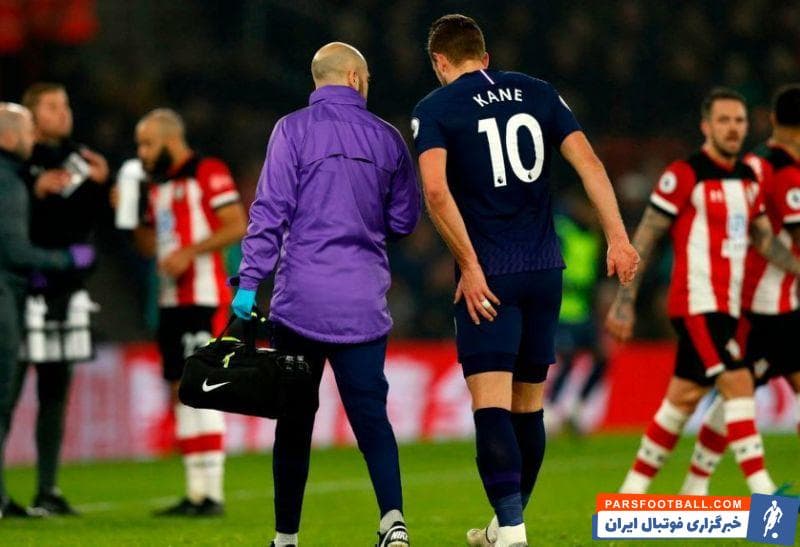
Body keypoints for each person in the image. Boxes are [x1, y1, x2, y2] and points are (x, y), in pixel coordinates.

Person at [411, 15, 638, 547]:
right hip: (544, 270)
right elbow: (590, 164)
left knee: (491, 405)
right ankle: (503, 525)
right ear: (485, 56)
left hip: (490, 276)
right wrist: (618, 238)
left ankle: (512, 532)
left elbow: (436, 193)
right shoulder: (538, 92)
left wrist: (469, 266)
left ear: (440, 62)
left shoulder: (436, 107)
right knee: (528, 407)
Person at [232, 42, 420, 547]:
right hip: (362, 304)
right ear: (355, 77)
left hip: (300, 306)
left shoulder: (290, 130)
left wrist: (249, 283)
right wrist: (365, 224)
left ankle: (285, 539)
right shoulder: (387, 138)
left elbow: (269, 211)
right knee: (372, 421)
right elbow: (405, 219)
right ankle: (393, 521)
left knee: (294, 425)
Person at [607, 88, 800, 496]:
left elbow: (765, 241)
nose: (733, 129)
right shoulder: (685, 174)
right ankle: (765, 496)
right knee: (738, 381)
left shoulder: (747, 179)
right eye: (723, 120)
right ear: (706, 126)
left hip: (729, 307)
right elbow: (646, 237)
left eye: (739, 121)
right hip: (696, 303)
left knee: (682, 398)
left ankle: (631, 497)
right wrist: (625, 301)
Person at [679, 84, 800, 496]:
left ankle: (696, 484)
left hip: (776, 302)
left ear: (772, 119)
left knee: (739, 390)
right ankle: (702, 486)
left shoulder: (752, 165)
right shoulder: (777, 172)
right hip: (759, 307)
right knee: (738, 389)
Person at [130, 108, 247, 516]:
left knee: (203, 386)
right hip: (170, 301)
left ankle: (211, 494)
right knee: (180, 390)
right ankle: (195, 493)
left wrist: (190, 253)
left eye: (147, 144)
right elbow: (148, 247)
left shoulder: (207, 171)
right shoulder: (157, 186)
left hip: (204, 298)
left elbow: (236, 224)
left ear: (169, 140)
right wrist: (130, 214)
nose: (142, 153)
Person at [4, 83, 108, 516]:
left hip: (64, 291)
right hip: (21, 288)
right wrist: (35, 188)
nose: (63, 112)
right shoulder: (16, 166)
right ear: (30, 116)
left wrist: (101, 187)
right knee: (6, 391)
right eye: (51, 106)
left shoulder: (82, 161)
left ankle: (48, 488)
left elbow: (94, 224)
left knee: (54, 394)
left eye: (65, 104)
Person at [546, 189, 607, 435]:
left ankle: (578, 406)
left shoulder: (592, 237)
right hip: (562, 310)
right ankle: (550, 409)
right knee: (568, 358)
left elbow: (595, 277)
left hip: (584, 311)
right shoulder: (561, 230)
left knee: (602, 357)